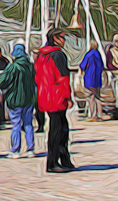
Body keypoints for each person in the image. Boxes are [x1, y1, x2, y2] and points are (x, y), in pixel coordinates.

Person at [37, 27, 75, 173]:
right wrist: (68, 96)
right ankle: (53, 163)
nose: (64, 41)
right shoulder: (58, 55)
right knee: (58, 131)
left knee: (60, 128)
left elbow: (38, 76)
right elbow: (63, 78)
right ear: (55, 38)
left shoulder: (41, 55)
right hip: (57, 96)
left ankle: (65, 160)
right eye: (62, 38)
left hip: (45, 95)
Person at [0, 42, 37, 158]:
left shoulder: (13, 67)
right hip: (29, 99)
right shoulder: (30, 67)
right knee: (28, 124)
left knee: (16, 125)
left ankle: (16, 150)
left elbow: (2, 83)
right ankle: (30, 148)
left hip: (15, 100)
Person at [80, 40, 105, 122]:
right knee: (97, 97)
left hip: (90, 78)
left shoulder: (89, 55)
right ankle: (99, 114)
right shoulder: (98, 55)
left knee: (91, 97)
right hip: (97, 78)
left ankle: (92, 114)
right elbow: (102, 66)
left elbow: (82, 65)